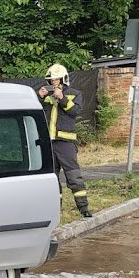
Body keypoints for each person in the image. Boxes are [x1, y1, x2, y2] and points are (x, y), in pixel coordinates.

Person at [38, 64, 92, 218]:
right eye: (50, 80)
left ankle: (84, 208)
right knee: (52, 179)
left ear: (62, 79)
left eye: (54, 79)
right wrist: (39, 98)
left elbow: (74, 112)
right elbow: (38, 113)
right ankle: (56, 210)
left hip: (66, 143)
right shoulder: (47, 96)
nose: (52, 82)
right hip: (49, 143)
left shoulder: (74, 94)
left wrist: (62, 98)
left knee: (73, 176)